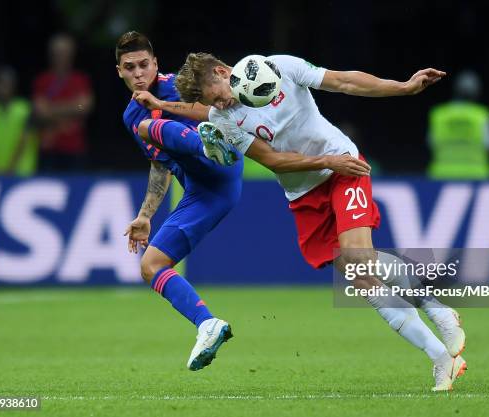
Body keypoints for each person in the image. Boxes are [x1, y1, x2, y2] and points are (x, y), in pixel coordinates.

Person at [175, 53, 466, 391]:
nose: (220, 104)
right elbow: (273, 160)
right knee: (362, 278)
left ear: (223, 72)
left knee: (359, 259)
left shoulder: (278, 67)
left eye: (218, 94)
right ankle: (441, 358)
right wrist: (323, 161)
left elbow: (344, 81)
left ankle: (440, 311)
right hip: (304, 194)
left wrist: (402, 87)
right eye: (212, 103)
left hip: (344, 165)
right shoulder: (222, 119)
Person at [115, 31, 242, 371]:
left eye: (144, 65)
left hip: (224, 160)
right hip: (204, 191)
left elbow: (222, 105)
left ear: (156, 64)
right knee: (150, 265)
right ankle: (207, 324)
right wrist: (145, 216)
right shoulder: (131, 116)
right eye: (130, 67)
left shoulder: (178, 85)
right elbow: (160, 163)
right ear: (120, 72)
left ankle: (207, 145)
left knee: (149, 126)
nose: (139, 73)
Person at [33, 34, 93, 172]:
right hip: (49, 149)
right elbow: (40, 111)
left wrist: (52, 109)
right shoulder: (42, 81)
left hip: (74, 149)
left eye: (65, 53)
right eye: (57, 53)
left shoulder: (80, 80)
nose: (61, 57)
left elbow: (83, 107)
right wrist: (71, 109)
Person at [427, 70, 489, 179]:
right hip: (477, 176)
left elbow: (431, 144)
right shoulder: (482, 115)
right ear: (476, 92)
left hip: (443, 175)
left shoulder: (439, 114)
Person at [0, 66, 38, 176]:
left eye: (7, 84)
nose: (3, 88)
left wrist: (11, 168)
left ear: (13, 86)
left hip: (20, 174)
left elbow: (24, 140)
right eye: (0, 83)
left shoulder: (24, 109)